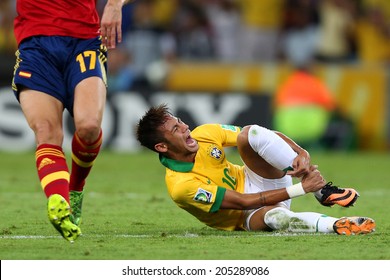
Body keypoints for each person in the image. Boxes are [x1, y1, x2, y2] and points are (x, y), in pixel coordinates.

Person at [136, 104, 375, 235]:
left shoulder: (204, 134)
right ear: (161, 146)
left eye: (180, 122)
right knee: (276, 218)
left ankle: (321, 191)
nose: (186, 127)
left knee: (249, 133)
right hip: (248, 216)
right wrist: (299, 189)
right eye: (176, 129)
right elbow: (242, 202)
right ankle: (338, 225)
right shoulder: (181, 186)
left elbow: (265, 136)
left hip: (261, 178)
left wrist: (301, 152)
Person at [11, 0, 131, 242]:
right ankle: (59, 202)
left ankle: (75, 188)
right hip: (35, 45)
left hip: (84, 42)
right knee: (46, 131)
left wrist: (116, 4)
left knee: (88, 127)